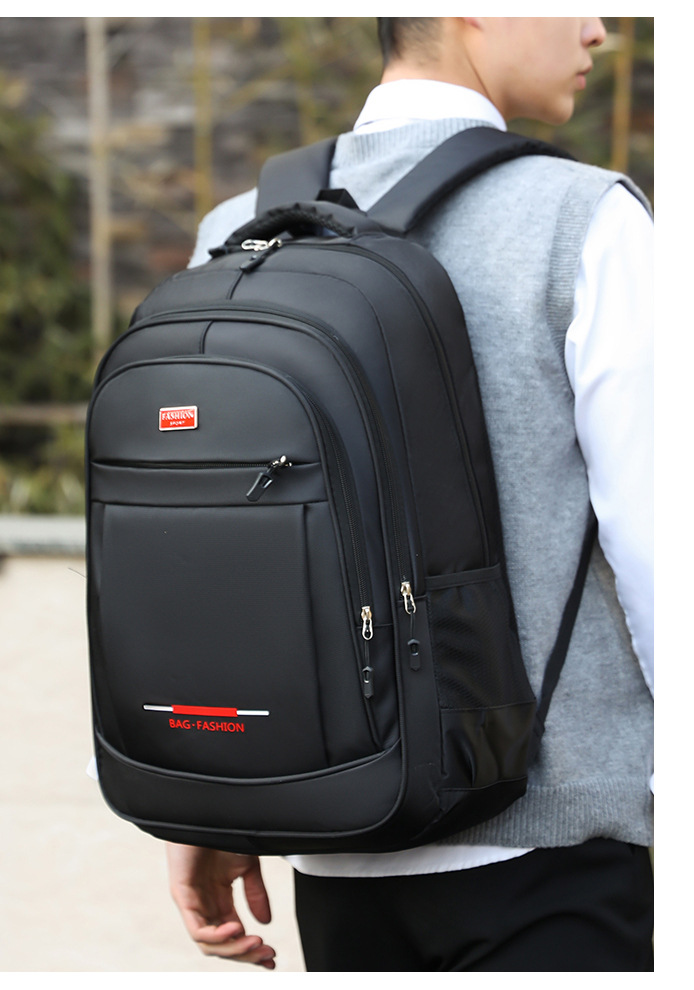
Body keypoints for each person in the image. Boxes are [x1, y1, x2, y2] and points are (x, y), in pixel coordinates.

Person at [166, 17, 654, 971]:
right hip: (552, 855)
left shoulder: (237, 232)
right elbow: (661, 548)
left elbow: (209, 544)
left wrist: (213, 797)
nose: (600, 28)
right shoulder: (581, 219)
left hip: (334, 847)